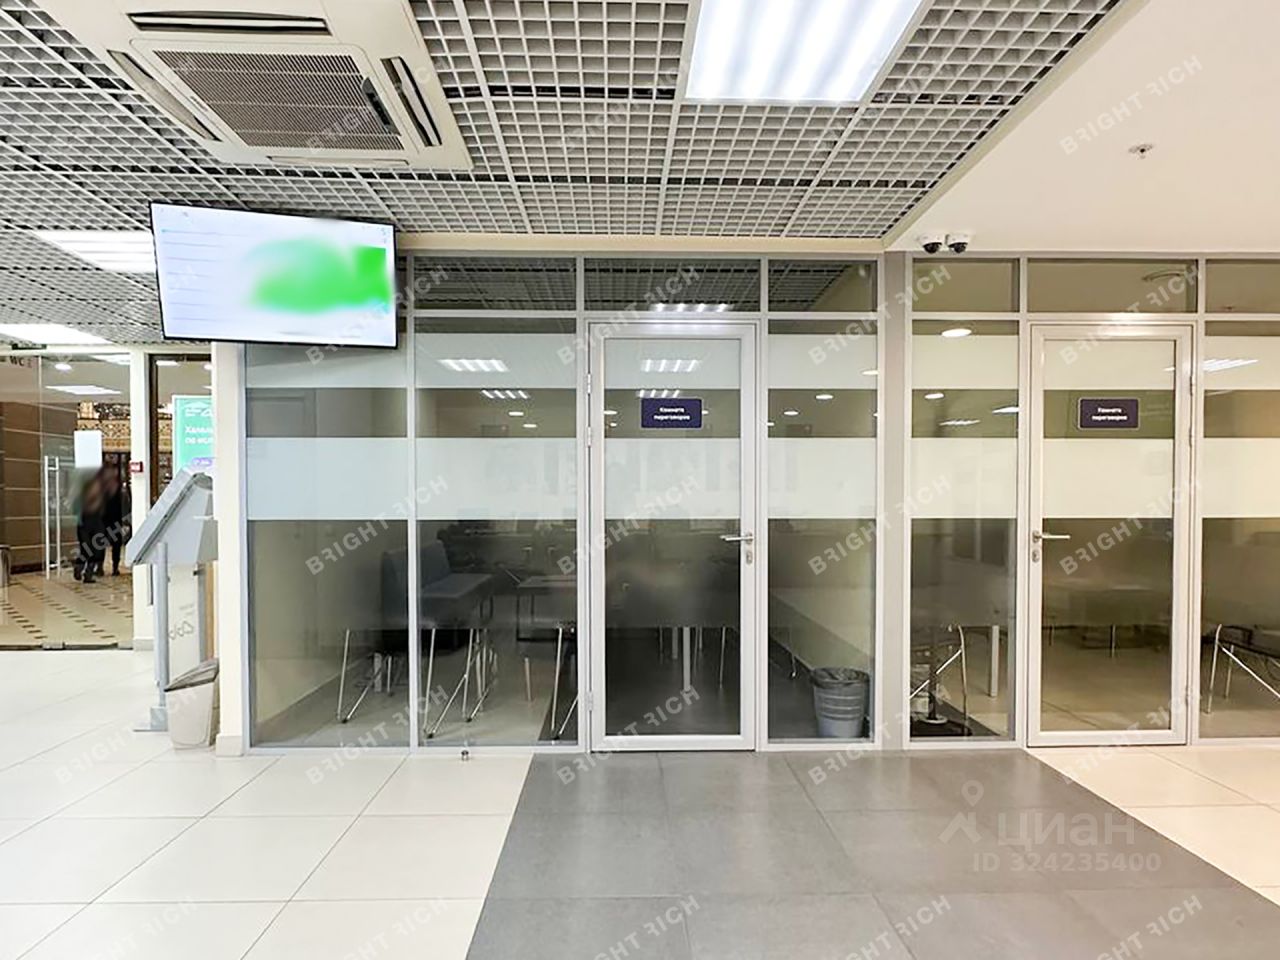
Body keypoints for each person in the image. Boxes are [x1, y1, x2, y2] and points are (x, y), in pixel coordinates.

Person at [101, 469, 128, 576]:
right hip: (113, 521)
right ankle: (113, 567)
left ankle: (104, 567)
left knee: (105, 545)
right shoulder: (119, 492)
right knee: (114, 545)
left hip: (108, 521)